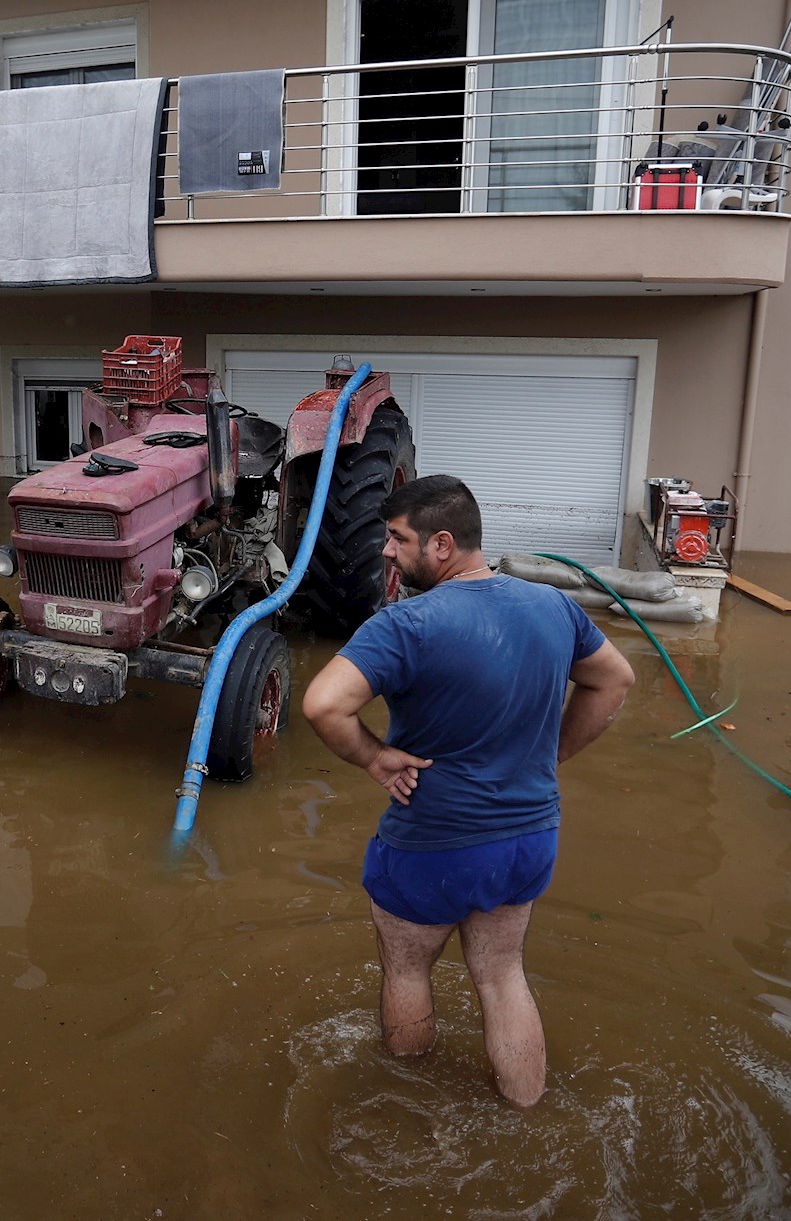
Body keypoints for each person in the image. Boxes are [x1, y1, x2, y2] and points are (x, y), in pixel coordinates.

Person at [302, 474, 634, 1108]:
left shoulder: (406, 623)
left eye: (397, 540)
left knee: (406, 970)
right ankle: (525, 1118)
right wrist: (553, 754)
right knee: (504, 975)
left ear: (442, 544)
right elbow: (615, 681)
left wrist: (373, 757)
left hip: (434, 842)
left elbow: (323, 705)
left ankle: (409, 1103)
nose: (386, 552)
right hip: (529, 839)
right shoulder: (555, 607)